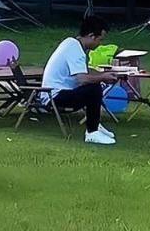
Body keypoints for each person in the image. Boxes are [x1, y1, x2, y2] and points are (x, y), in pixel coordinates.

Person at [41, 14, 117, 145]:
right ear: (91, 36)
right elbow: (82, 79)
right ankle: (92, 132)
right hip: (54, 96)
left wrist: (104, 75)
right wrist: (102, 77)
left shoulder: (72, 44)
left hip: (55, 93)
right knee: (93, 89)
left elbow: (84, 72)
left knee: (94, 86)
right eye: (100, 40)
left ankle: (95, 125)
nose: (100, 44)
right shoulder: (75, 49)